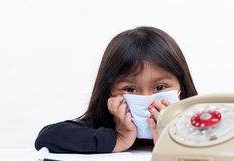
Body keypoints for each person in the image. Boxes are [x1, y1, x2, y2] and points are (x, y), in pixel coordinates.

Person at [34, 26, 198, 153]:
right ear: (109, 93)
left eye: (160, 87)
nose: (147, 99)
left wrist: (176, 140)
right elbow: (46, 138)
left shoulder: (199, 124)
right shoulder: (106, 126)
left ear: (181, 89)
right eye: (130, 89)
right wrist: (118, 139)